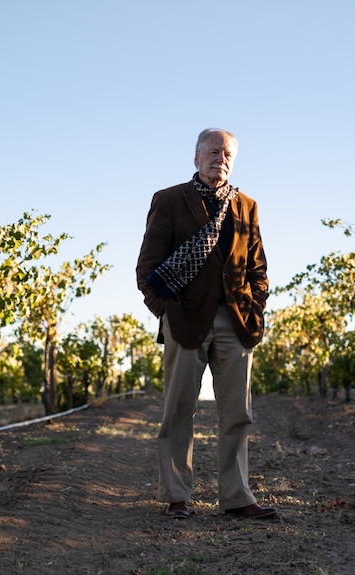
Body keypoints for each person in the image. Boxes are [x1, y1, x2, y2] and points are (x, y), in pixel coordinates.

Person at [136, 128, 277, 520]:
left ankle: (236, 497)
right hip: (184, 321)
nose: (221, 159)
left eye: (228, 154)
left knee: (237, 413)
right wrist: (165, 309)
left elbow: (258, 267)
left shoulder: (247, 205)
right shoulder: (168, 201)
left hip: (236, 321)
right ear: (197, 157)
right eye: (214, 152)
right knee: (179, 410)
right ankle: (177, 497)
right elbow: (147, 268)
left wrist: (255, 307)